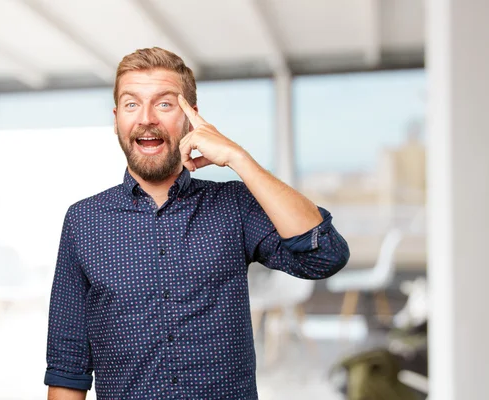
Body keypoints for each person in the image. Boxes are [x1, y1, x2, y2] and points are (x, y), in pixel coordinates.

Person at [44, 47, 350, 400]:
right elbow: (68, 366)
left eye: (164, 104)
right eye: (131, 104)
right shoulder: (84, 222)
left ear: (191, 118)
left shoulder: (233, 206)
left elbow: (325, 255)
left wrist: (239, 158)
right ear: (116, 120)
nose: (146, 118)